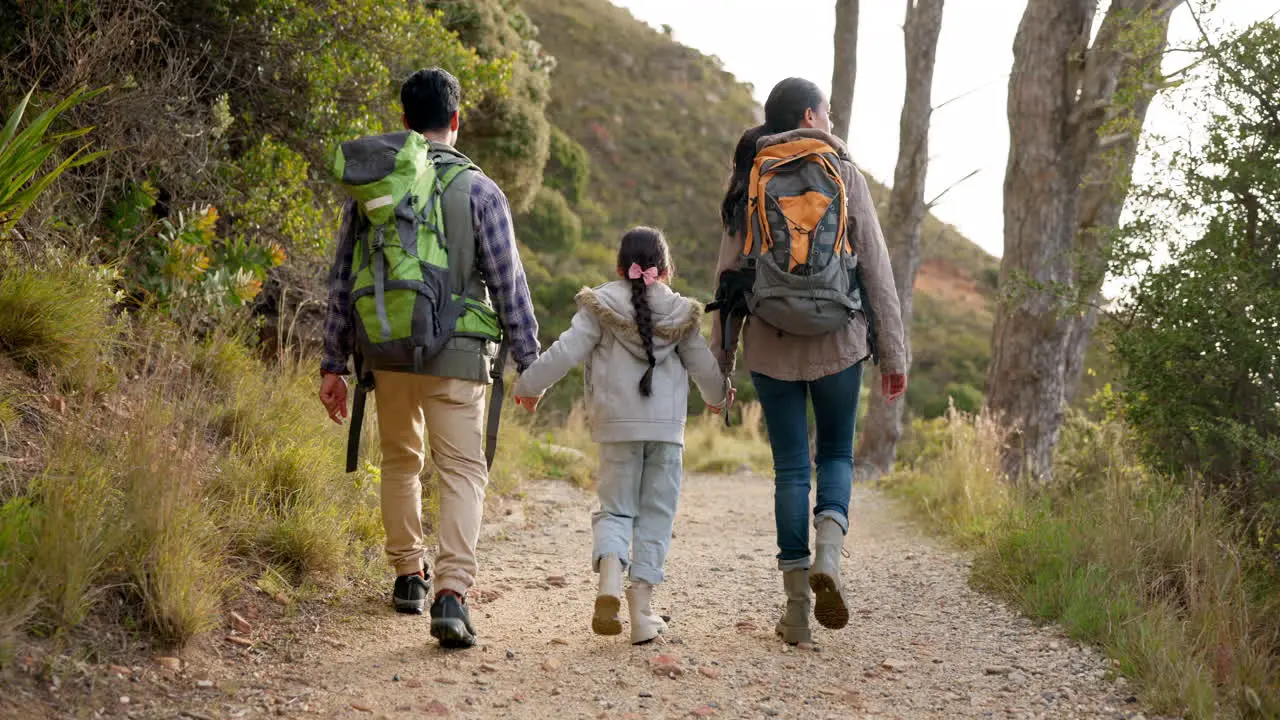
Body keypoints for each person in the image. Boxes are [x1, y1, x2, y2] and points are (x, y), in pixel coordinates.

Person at [318, 67, 540, 649]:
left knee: (400, 461)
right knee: (463, 470)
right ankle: (451, 594)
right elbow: (509, 285)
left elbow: (342, 280)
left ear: (404, 121)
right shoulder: (481, 191)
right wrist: (529, 363)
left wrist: (331, 364)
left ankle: (407, 577)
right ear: (456, 120)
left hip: (385, 351)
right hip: (460, 357)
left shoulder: (376, 188)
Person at [712, 77, 909, 645]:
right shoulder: (844, 174)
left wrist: (719, 369)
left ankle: (797, 609)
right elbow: (876, 270)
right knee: (837, 456)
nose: (830, 120)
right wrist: (893, 354)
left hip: (770, 344)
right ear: (809, 115)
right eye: (826, 112)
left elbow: (726, 281)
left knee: (792, 469)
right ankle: (830, 552)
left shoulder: (750, 179)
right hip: (839, 341)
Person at [512, 227, 729, 645]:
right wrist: (718, 398)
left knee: (614, 510)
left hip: (615, 428)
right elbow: (703, 367)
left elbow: (564, 350)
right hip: (666, 434)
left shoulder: (601, 304)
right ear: (665, 270)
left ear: (619, 267)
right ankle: (641, 614)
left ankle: (609, 580)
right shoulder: (682, 312)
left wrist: (529, 386)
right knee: (655, 517)